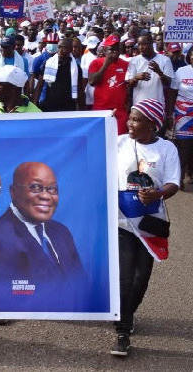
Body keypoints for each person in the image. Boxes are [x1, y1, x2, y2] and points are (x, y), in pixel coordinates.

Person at [113, 99, 179, 356]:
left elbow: (173, 183)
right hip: (122, 221)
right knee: (125, 277)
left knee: (141, 279)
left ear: (152, 124)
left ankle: (126, 311)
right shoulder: (119, 143)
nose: (130, 123)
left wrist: (158, 193)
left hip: (151, 224)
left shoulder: (167, 149)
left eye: (137, 119)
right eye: (129, 118)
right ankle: (122, 330)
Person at [0, 162, 85, 283]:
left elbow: (81, 284)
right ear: (13, 192)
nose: (45, 196)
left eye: (52, 189)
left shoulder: (61, 232)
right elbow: (0, 297)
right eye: (35, 187)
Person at [88, 34, 129, 134]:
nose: (114, 51)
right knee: (100, 139)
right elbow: (92, 82)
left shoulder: (126, 64)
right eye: (111, 49)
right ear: (105, 50)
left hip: (120, 111)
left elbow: (129, 85)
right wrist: (105, 65)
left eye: (117, 48)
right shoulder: (96, 63)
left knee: (119, 141)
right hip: (101, 110)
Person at [167, 47, 193, 188]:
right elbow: (172, 93)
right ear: (189, 56)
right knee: (184, 146)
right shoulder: (181, 71)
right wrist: (170, 113)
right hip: (183, 114)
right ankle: (180, 176)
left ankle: (190, 173)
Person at [35, 37, 84, 111]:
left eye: (64, 48)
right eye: (59, 47)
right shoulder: (48, 63)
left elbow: (80, 90)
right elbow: (39, 85)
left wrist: (81, 109)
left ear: (70, 50)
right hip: (49, 105)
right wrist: (35, 102)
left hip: (68, 107)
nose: (60, 50)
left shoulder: (76, 68)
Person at [126, 34, 173, 106]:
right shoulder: (133, 60)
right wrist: (136, 78)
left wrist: (159, 72)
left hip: (157, 105)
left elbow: (168, 83)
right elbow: (128, 84)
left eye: (144, 44)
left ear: (151, 43)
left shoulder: (165, 60)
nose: (141, 47)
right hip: (139, 106)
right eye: (139, 44)